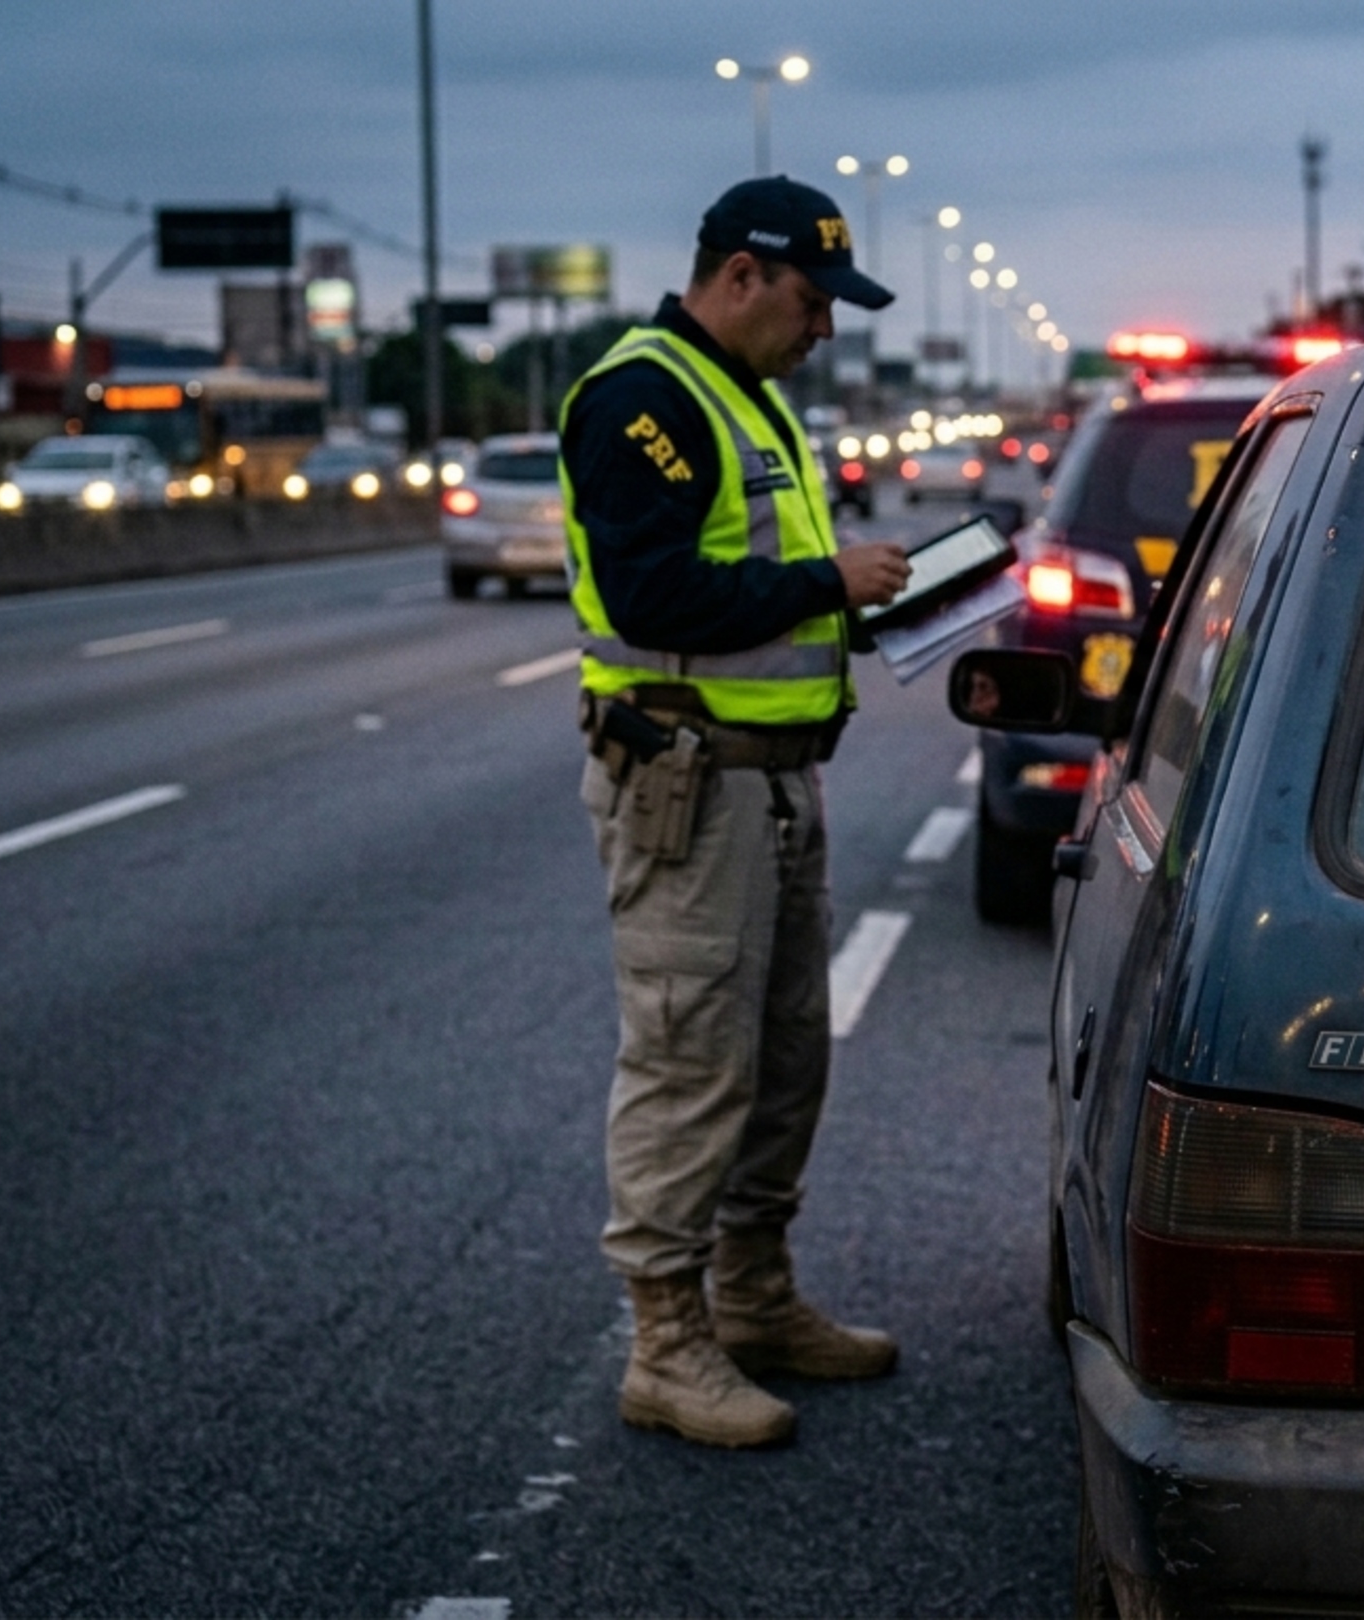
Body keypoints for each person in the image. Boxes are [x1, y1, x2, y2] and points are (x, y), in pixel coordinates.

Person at [560, 175, 914, 1449]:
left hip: (771, 778)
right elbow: (655, 594)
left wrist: (882, 604)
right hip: (686, 780)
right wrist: (830, 577)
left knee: (781, 1063)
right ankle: (665, 1342)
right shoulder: (644, 396)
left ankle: (754, 1299)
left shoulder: (750, 395)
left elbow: (755, 585)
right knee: (688, 1059)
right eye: (814, 302)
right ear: (742, 276)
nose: (825, 330)